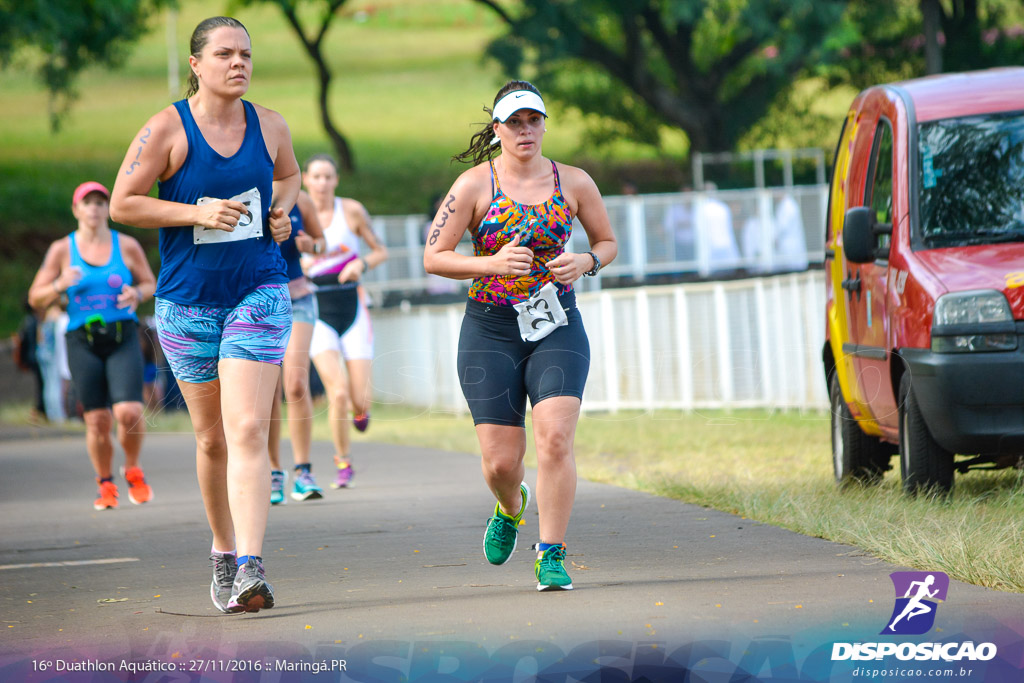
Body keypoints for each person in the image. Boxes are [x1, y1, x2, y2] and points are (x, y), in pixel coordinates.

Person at [109, 15, 300, 614]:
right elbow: (123, 204)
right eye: (224, 54)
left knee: (248, 428)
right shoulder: (167, 128)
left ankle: (251, 566)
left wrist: (281, 212)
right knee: (212, 438)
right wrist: (195, 212)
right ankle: (222, 552)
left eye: (245, 54)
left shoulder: (269, 125)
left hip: (259, 289)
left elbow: (288, 176)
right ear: (197, 64)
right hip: (187, 301)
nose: (238, 63)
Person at [423, 80, 617, 591]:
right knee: (501, 461)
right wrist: (490, 262)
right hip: (490, 329)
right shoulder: (472, 186)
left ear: (544, 124)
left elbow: (607, 240)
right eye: (515, 122)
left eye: (534, 120)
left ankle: (551, 552)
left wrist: (588, 260)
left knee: (555, 437)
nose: (525, 130)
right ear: (497, 130)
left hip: (556, 322)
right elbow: (433, 257)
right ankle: (511, 506)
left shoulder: (573, 181)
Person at [27, 181, 157, 510]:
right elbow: (35, 296)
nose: (95, 208)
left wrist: (137, 294)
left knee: (128, 412)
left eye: (101, 202)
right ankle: (105, 483)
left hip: (121, 334)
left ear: (108, 209)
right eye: (88, 203)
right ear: (76, 210)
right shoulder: (62, 249)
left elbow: (150, 282)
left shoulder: (125, 245)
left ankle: (133, 469)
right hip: (81, 339)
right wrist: (59, 284)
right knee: (97, 420)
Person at [302, 153, 388, 488]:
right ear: (306, 180)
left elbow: (380, 250)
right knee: (335, 392)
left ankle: (360, 410)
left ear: (336, 180)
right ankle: (342, 461)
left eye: (328, 177)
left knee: (358, 399)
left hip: (353, 307)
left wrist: (361, 265)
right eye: (316, 177)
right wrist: (301, 268)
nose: (322, 183)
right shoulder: (296, 214)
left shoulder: (350, 210)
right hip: (316, 312)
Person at [267, 190, 327, 505]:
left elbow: (321, 242)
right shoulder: (243, 189)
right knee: (268, 391)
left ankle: (303, 471)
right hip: (257, 301)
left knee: (296, 382)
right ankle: (274, 470)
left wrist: (310, 246)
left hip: (298, 297)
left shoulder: (299, 199)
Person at [14, 299, 46, 424]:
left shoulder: (26, 321)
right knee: (41, 384)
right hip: (35, 356)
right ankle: (40, 409)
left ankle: (39, 409)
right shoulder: (33, 321)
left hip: (31, 356)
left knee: (40, 384)